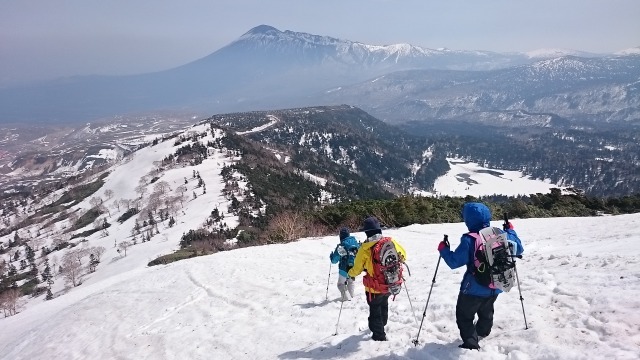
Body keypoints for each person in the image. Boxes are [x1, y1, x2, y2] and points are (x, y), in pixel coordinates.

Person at [438, 202, 524, 350]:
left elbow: (454, 262)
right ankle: (483, 331)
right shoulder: (499, 233)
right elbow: (519, 248)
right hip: (496, 284)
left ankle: (470, 344)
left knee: (464, 316)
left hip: (473, 288)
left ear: (468, 220)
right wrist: (510, 231)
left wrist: (443, 250)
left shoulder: (470, 239)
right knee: (487, 309)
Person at [348, 216, 407, 341]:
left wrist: (350, 273)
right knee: (383, 304)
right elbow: (403, 255)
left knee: (375, 310)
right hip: (389, 283)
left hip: (374, 287)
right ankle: (382, 324)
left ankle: (379, 336)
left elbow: (357, 269)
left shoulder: (365, 249)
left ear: (367, 232)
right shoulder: (390, 242)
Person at [329, 227, 360, 301]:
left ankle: (346, 298)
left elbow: (334, 260)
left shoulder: (341, 246)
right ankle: (351, 296)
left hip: (344, 268)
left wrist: (331, 256)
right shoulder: (355, 242)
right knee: (351, 281)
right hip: (354, 267)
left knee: (340, 284)